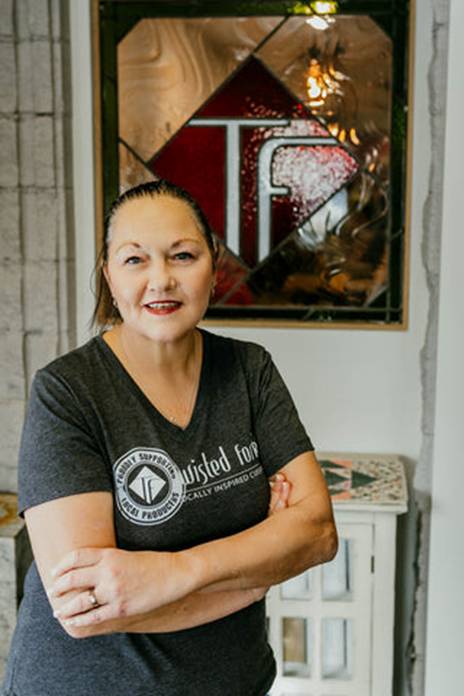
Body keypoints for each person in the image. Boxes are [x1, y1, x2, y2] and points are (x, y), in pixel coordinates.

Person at [1, 179, 337, 696]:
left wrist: (174, 572)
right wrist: (254, 577)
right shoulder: (67, 393)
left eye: (182, 255)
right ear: (109, 275)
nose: (161, 280)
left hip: (236, 681)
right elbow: (84, 607)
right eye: (135, 260)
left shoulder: (249, 371)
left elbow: (317, 533)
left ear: (214, 266)